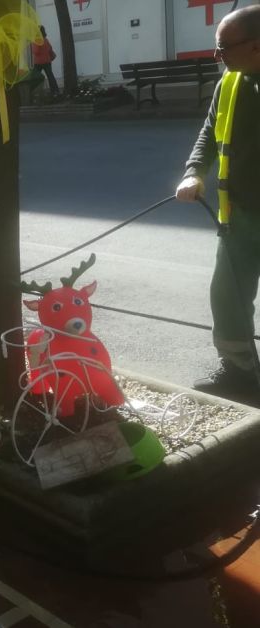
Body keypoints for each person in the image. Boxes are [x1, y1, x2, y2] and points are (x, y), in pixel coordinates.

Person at [176, 5, 260, 400]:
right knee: (227, 296)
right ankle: (240, 371)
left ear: (257, 46)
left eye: (224, 47)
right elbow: (211, 130)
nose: (217, 56)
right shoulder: (231, 81)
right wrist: (195, 171)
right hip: (241, 213)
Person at [31, 25, 60, 95]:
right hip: (47, 61)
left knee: (34, 77)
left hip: (38, 62)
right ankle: (55, 91)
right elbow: (50, 48)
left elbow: (36, 51)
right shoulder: (45, 39)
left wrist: (33, 45)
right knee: (50, 76)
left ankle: (33, 92)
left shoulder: (37, 40)